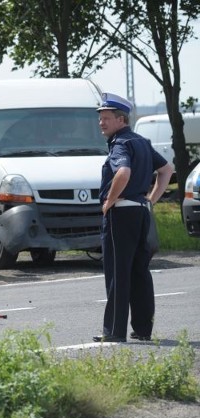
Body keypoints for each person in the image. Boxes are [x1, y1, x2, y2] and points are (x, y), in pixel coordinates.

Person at [93, 93, 173, 343]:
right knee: (140, 272)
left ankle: (114, 332)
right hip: (140, 211)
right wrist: (151, 199)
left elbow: (123, 172)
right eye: (100, 118)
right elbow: (167, 169)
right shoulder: (142, 141)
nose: (101, 123)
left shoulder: (120, 143)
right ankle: (143, 329)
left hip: (122, 214)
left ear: (121, 120)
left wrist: (108, 201)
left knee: (118, 272)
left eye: (106, 118)